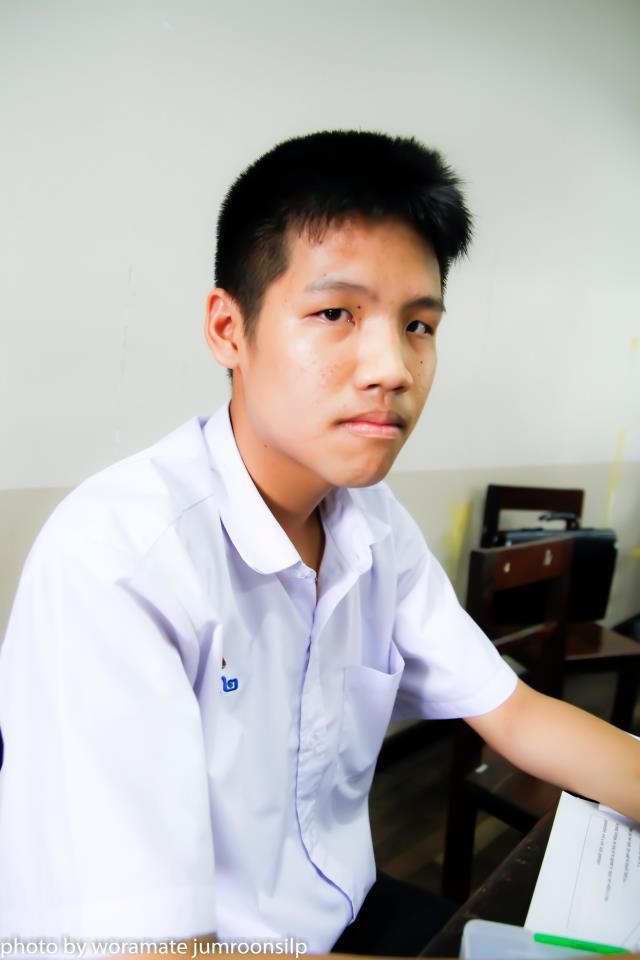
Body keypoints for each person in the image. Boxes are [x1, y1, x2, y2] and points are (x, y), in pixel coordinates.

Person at [0, 130, 638, 959]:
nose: (393, 367)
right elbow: (153, 951)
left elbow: (513, 713)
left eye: (419, 325)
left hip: (340, 912)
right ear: (229, 329)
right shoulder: (120, 560)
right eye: (336, 314)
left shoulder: (373, 525)